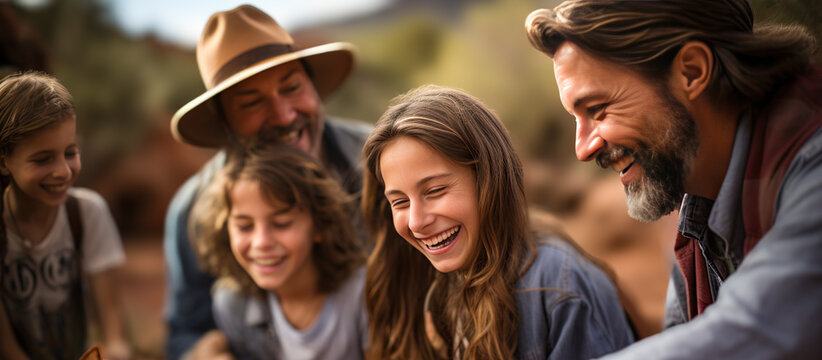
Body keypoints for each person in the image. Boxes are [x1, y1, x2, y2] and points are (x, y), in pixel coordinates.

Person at [526, 1, 822, 358]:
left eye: (598, 110)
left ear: (693, 72)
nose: (583, 149)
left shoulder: (812, 163)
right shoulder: (695, 212)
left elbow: (760, 328)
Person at [361, 85, 635, 359]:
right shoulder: (432, 286)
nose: (417, 222)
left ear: (488, 180)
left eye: (434, 191)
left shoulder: (559, 287)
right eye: (400, 202)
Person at [164, 5, 372, 359]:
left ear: (314, 87)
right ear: (224, 123)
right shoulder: (193, 210)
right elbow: (184, 329)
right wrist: (202, 350)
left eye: (292, 88)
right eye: (252, 103)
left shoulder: (377, 162)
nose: (284, 115)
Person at [189, 142, 367, 359]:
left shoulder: (363, 294)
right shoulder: (234, 304)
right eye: (244, 226)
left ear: (320, 225)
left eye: (282, 223)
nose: (261, 242)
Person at [0, 72, 130, 359]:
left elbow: (112, 325)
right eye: (43, 159)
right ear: (4, 160)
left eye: (70, 152)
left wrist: (116, 353)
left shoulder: (86, 213)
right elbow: (8, 348)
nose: (63, 171)